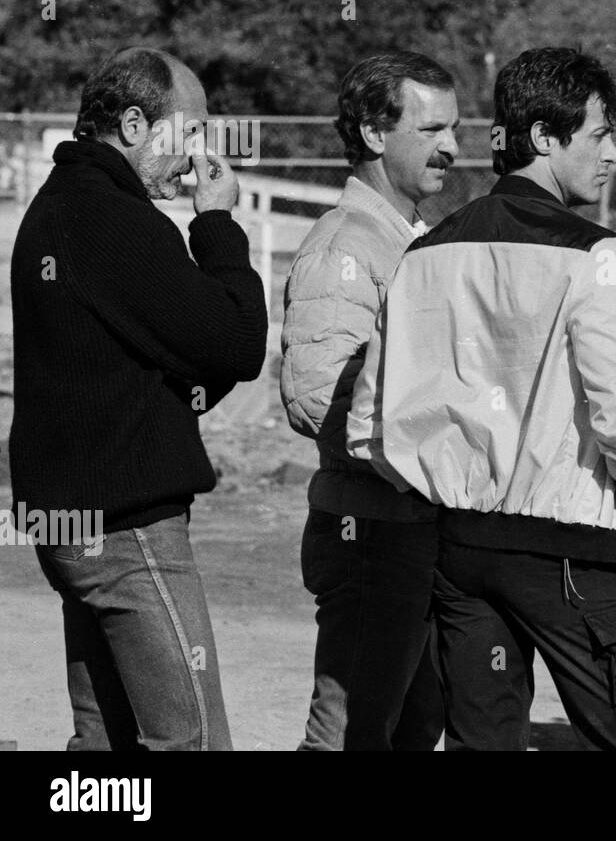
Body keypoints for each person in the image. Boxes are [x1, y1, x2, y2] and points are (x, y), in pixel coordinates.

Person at [347, 47, 616, 751]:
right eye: (597, 136)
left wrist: (446, 486)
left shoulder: (426, 250)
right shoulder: (599, 254)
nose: (613, 154)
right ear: (545, 139)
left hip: (458, 550)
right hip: (570, 551)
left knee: (482, 743)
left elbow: (368, 426)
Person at [9, 47, 267, 750]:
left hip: (72, 518)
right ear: (133, 124)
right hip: (126, 526)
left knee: (107, 748)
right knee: (191, 742)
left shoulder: (62, 205)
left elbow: (157, 362)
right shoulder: (110, 218)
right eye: (189, 133)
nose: (196, 156)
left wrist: (183, 379)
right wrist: (216, 223)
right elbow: (238, 344)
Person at [280, 51, 459, 751]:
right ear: (374, 133)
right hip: (370, 532)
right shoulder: (346, 244)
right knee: (346, 738)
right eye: (433, 128)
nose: (452, 147)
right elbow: (314, 395)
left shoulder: (405, 238)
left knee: (408, 733)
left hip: (408, 529)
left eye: (456, 128)